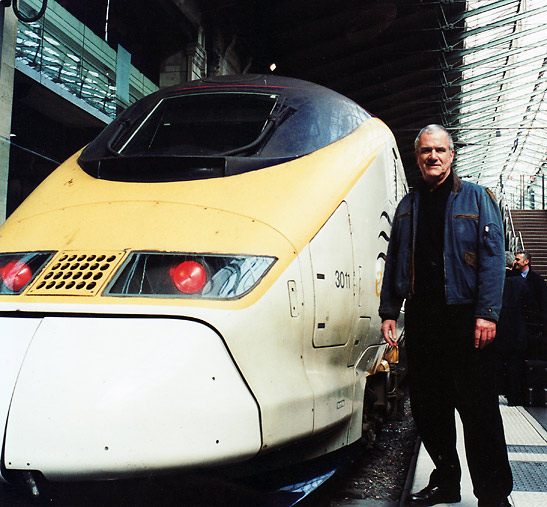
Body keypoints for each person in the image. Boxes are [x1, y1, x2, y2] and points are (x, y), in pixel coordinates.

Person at [379, 124, 512, 506]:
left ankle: (492, 493)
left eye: (440, 150)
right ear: (417, 158)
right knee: (428, 405)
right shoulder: (407, 205)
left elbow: (492, 260)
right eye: (425, 151)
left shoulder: (476, 197)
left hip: (466, 319)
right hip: (423, 318)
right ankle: (446, 482)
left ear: (452, 156)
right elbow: (394, 263)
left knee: (479, 408)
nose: (432, 157)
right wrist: (390, 310)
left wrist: (487, 314)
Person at [492, 252, 529, 405]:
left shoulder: (494, 280)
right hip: (516, 328)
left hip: (498, 327)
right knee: (514, 364)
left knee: (495, 364)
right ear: (513, 264)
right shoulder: (520, 281)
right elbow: (528, 300)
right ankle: (514, 398)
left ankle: (493, 396)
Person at [513, 250, 547, 360]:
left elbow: (543, 300)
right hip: (518, 321)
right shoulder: (512, 277)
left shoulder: (536, 279)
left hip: (532, 323)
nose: (515, 262)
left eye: (518, 259)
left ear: (526, 261)